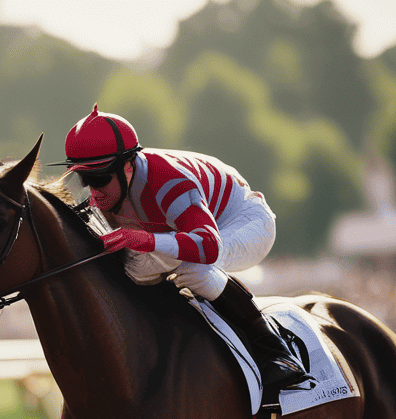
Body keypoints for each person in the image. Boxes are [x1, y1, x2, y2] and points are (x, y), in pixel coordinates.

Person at [57, 105, 311, 391]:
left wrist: (147, 241)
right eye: (84, 179)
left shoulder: (169, 181)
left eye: (100, 178)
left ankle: (275, 350)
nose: (93, 191)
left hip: (244, 221)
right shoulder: (102, 189)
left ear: (128, 166)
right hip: (188, 229)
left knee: (196, 270)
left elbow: (209, 246)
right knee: (132, 268)